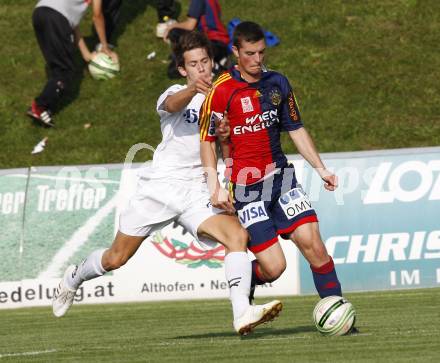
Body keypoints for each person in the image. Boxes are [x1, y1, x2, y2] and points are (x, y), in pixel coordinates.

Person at [52, 31, 282, 336]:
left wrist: (226, 142)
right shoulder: (174, 91)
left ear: (212, 63)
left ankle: (241, 313)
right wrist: (191, 90)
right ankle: (74, 276)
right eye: (193, 64)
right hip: (160, 187)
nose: (201, 68)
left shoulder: (226, 97)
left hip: (196, 190)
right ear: (183, 69)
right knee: (116, 258)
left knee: (236, 236)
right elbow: (171, 105)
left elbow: (226, 147)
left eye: (205, 62)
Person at [199, 21, 343, 302]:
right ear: (236, 51)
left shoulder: (277, 83)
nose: (257, 60)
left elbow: (296, 128)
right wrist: (214, 186)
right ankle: (245, 283)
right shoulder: (222, 91)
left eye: (261, 52)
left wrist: (321, 168)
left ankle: (338, 310)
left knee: (314, 244)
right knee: (274, 267)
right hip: (245, 187)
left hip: (281, 178)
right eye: (250, 53)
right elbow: (206, 141)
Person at [28, 0, 118, 127]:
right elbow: (97, 15)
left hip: (39, 12)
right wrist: (105, 47)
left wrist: (86, 54)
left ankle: (47, 105)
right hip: (56, 18)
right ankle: (39, 106)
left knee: (57, 65)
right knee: (65, 71)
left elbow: (72, 23)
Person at [163, 0, 229, 78]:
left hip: (211, 43)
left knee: (174, 32)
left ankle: (215, 66)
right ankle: (218, 61)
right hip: (222, 42)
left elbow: (190, 25)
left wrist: (171, 27)